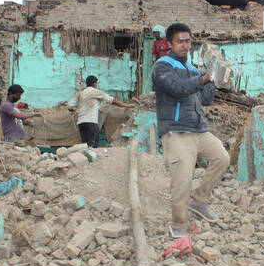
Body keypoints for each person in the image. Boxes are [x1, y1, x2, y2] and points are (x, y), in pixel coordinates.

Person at [152, 22, 230, 237]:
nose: (185, 45)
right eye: (180, 42)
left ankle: (199, 200)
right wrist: (203, 78)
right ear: (170, 43)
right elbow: (177, 89)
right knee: (182, 180)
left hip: (198, 130)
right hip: (176, 131)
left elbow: (205, 99)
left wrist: (213, 80)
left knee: (222, 158)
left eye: (188, 41)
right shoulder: (162, 66)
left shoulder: (192, 68)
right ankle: (178, 225)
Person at [68, 75, 133, 148]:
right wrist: (126, 105)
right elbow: (112, 100)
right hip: (91, 122)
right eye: (96, 83)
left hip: (81, 123)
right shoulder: (96, 92)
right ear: (94, 83)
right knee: (92, 146)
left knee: (85, 145)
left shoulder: (80, 93)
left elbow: (69, 106)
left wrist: (76, 109)